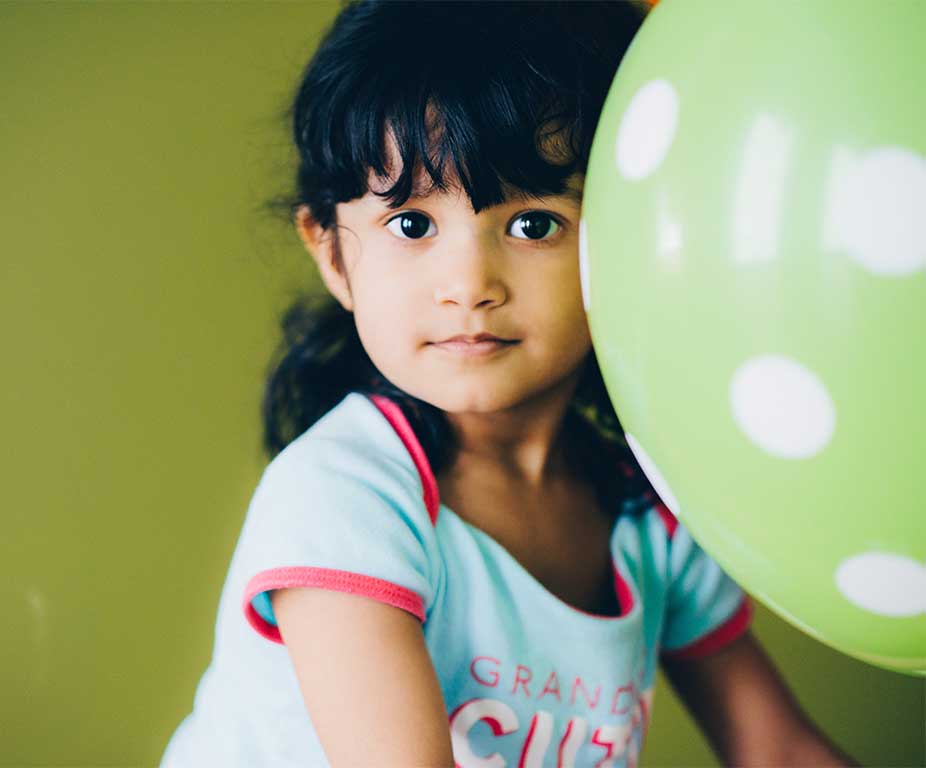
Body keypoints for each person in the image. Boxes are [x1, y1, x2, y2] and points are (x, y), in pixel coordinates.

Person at [162, 2, 857, 766]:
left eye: (533, 224)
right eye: (412, 225)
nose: (469, 284)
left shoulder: (643, 510)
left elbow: (779, 749)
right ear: (331, 253)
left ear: (628, 237)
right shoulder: (346, 497)